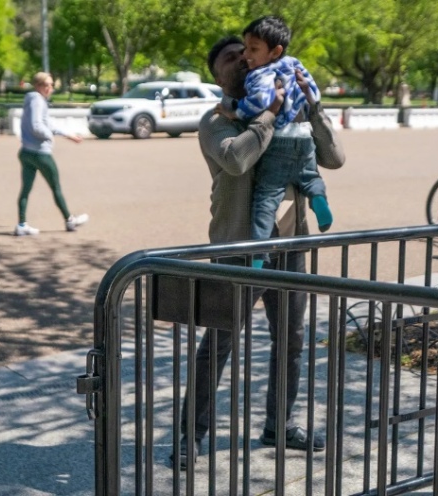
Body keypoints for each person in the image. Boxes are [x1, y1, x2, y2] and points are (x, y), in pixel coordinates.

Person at [171, 34, 345, 468]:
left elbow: (335, 158)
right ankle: (191, 435)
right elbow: (236, 160)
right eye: (232, 58)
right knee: (219, 344)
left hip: (289, 244)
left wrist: (312, 109)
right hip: (239, 246)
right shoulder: (216, 121)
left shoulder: (287, 105)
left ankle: (279, 425)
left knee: (292, 341)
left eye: (246, 54)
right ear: (217, 74)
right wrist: (268, 116)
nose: (243, 61)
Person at [219, 16, 332, 268]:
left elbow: (259, 103)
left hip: (278, 140)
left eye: (253, 49)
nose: (246, 55)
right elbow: (313, 93)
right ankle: (319, 201)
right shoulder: (295, 65)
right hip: (304, 137)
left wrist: (235, 111)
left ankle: (259, 256)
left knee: (266, 199)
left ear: (275, 51)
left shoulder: (259, 74)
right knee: (310, 178)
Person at [15, 72, 88, 236]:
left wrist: (69, 135)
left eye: (51, 85)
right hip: (40, 153)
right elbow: (37, 126)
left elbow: (48, 124)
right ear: (38, 86)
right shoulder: (37, 100)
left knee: (25, 189)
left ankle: (21, 224)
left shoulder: (33, 100)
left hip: (26, 152)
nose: (50, 88)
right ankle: (69, 220)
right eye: (47, 85)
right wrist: (49, 138)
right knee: (56, 188)